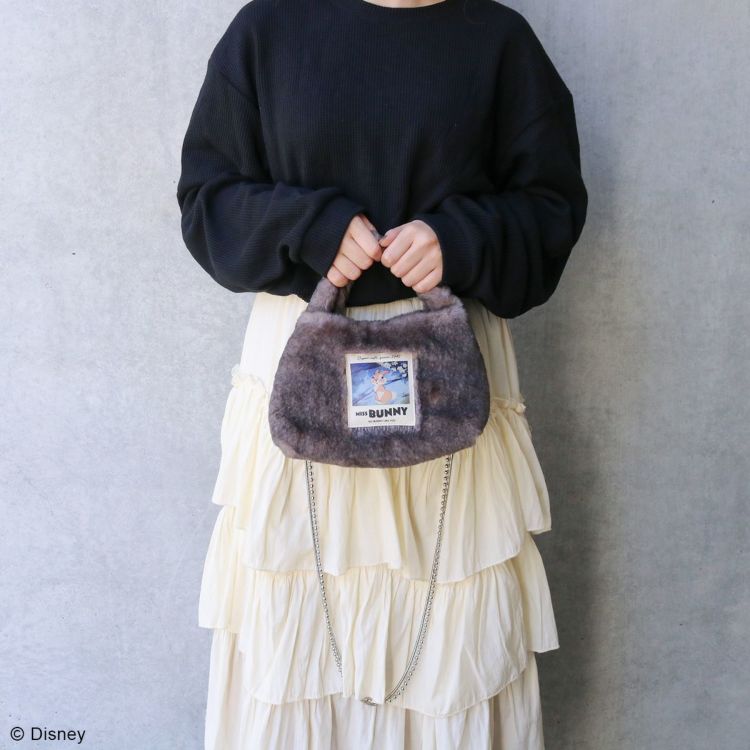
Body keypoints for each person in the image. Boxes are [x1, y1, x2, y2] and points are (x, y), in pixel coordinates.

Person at [176, 0, 588, 747]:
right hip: (301, 367)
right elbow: (208, 202)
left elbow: (551, 211)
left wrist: (459, 239)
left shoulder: (499, 40)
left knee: (451, 630)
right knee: (297, 622)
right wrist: (306, 228)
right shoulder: (269, 29)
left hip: (452, 375)